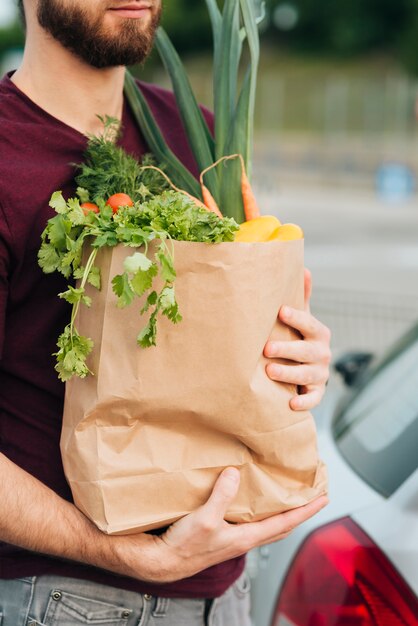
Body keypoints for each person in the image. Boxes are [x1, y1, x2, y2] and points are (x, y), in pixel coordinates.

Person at [0, 1, 331, 624]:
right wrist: (127, 555)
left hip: (226, 595)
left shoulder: (194, 131)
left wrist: (297, 356)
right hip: (67, 598)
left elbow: (233, 332)